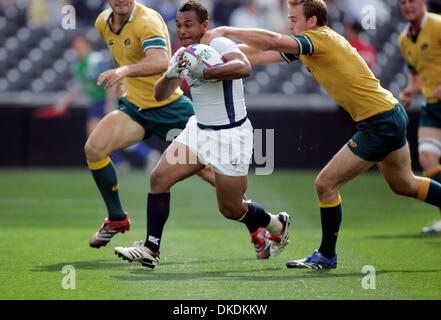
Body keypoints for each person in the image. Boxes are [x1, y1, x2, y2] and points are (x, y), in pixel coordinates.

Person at [201, 0, 441, 269]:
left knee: (325, 184)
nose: (289, 24)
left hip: (380, 122)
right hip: (388, 115)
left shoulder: (319, 39)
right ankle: (326, 255)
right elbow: (255, 55)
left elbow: (271, 41)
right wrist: (215, 57)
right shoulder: (307, 46)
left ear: (311, 21)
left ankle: (326, 255)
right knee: (405, 184)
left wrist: (225, 32)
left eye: (294, 19)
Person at [88, 0, 275, 260]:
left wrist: (126, 71)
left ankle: (259, 226)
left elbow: (160, 60)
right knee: (95, 149)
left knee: (216, 183)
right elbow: (128, 56)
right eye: (179, 26)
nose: (182, 30)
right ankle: (121, 221)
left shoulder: (148, 21)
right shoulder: (102, 22)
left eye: (188, 25)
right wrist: (124, 78)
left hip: (172, 109)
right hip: (136, 106)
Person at [52, 33, 160, 173]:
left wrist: (110, 104)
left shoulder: (95, 60)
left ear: (88, 46)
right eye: (75, 46)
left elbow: (112, 79)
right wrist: (63, 104)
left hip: (106, 100)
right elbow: (77, 87)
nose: (77, 49)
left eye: (80, 46)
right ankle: (125, 162)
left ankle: (145, 156)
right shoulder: (77, 65)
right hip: (96, 102)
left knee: (114, 135)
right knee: (98, 137)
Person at [398, 0, 441, 234]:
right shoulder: (404, 40)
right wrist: (408, 93)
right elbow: (416, 76)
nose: (407, 6)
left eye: (411, 0)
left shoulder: (437, 25)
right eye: (402, 2)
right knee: (427, 158)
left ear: (423, 2)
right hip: (432, 107)